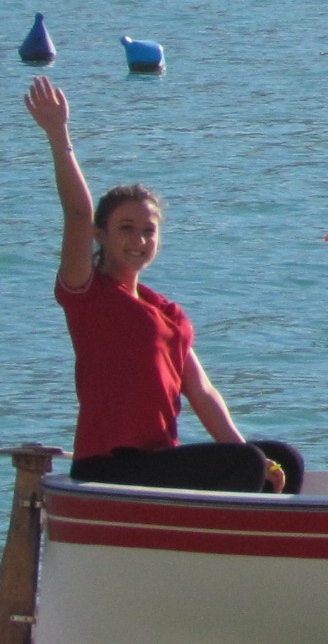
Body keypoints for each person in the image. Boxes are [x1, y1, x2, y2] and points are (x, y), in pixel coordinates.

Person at [25, 77, 299, 493]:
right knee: (246, 462)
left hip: (157, 464)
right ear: (102, 235)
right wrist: (59, 135)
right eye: (125, 229)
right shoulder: (87, 293)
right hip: (108, 470)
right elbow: (77, 214)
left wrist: (259, 462)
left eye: (148, 231)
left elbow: (202, 393)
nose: (138, 240)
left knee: (283, 459)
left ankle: (273, 547)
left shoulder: (166, 312)